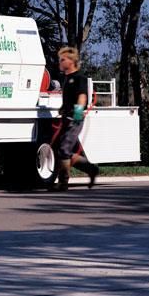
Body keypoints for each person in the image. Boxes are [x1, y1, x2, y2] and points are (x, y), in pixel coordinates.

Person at [51, 47, 99, 191]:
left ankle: (63, 183)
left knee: (64, 149)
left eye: (62, 59)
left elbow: (82, 97)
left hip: (75, 118)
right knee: (61, 149)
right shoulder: (67, 78)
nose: (60, 62)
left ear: (72, 61)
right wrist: (62, 108)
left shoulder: (80, 78)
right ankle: (90, 169)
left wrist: (77, 115)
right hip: (67, 117)